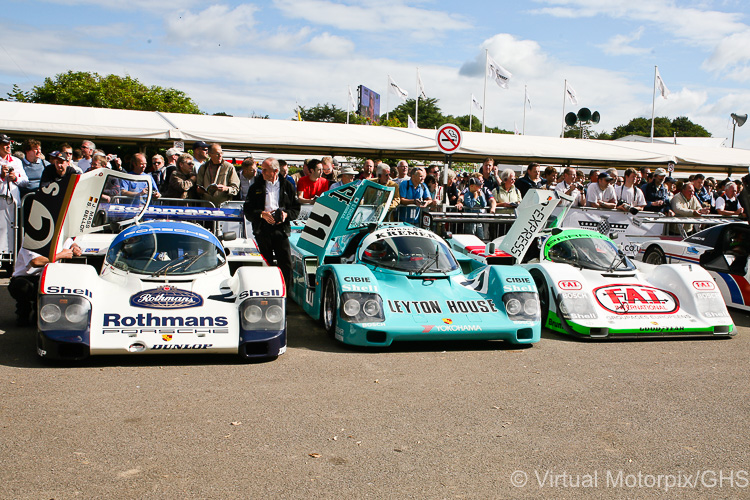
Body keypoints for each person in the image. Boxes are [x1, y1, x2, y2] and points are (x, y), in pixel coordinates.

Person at [243, 157, 300, 285]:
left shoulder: (287, 185)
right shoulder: (255, 186)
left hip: (281, 229)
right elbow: (248, 210)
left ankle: (286, 293)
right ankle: (265, 289)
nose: (261, 172)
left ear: (274, 171)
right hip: (262, 229)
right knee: (265, 262)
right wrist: (261, 214)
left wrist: (286, 215)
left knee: (285, 263)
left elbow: (296, 209)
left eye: (264, 170)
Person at [9, 241, 82, 326]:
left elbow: (70, 241)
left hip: (48, 276)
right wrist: (61, 255)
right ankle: (23, 312)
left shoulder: (59, 235)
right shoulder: (31, 240)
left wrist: (75, 247)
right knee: (23, 286)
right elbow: (36, 262)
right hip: (26, 277)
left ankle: (40, 314)